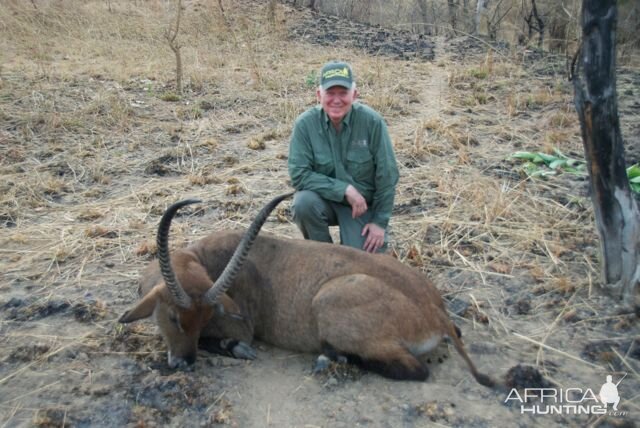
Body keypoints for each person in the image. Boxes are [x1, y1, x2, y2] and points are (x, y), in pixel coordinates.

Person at [288, 61, 399, 253]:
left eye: (343, 93)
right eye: (330, 93)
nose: (336, 100)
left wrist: (379, 223)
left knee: (364, 266)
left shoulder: (372, 122)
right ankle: (323, 253)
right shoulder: (305, 125)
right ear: (318, 95)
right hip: (324, 202)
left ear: (354, 95)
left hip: (362, 208)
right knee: (302, 203)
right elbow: (299, 174)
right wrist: (345, 190)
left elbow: (387, 176)